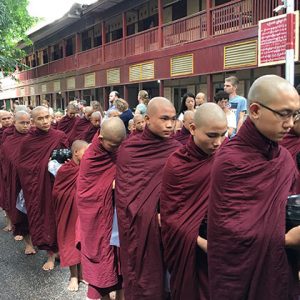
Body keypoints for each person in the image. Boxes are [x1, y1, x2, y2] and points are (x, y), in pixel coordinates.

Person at [208, 75, 300, 299]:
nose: (290, 123)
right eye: (283, 114)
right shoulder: (230, 160)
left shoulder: (285, 158)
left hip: (279, 269)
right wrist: (286, 239)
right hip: (239, 279)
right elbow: (231, 233)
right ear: (256, 110)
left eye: (295, 114)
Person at [115, 97, 181, 300]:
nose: (170, 124)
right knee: (143, 277)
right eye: (163, 119)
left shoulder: (178, 150)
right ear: (147, 119)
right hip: (139, 226)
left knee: (169, 280)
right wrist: (149, 216)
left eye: (172, 119)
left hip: (168, 226)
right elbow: (126, 196)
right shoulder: (129, 150)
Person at [161, 103, 227, 300]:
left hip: (224, 246)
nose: (219, 142)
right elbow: (170, 216)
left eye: (223, 135)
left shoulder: (226, 159)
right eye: (212, 135)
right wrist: (200, 241)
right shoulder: (176, 164)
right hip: (191, 248)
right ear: (192, 129)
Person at [76, 117, 126, 300]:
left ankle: (121, 295)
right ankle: (104, 296)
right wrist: (110, 185)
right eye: (113, 145)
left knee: (121, 257)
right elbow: (85, 194)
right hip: (98, 218)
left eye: (120, 144)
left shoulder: (119, 148)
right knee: (102, 256)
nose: (116, 148)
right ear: (101, 137)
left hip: (117, 215)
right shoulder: (91, 157)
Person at [17, 106, 69, 271]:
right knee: (44, 218)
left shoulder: (59, 136)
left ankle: (61, 250)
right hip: (38, 187)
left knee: (58, 218)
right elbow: (23, 167)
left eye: (47, 117)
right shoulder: (27, 141)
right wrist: (42, 166)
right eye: (40, 118)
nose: (45, 121)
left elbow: (67, 161)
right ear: (33, 121)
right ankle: (50, 255)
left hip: (56, 185)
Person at [53, 140, 89, 292]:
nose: (89, 155)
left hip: (83, 211)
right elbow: (57, 192)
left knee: (83, 241)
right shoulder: (65, 170)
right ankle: (73, 276)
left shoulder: (88, 168)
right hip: (68, 210)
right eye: (86, 152)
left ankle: (81, 274)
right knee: (69, 240)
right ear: (76, 152)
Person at [1, 111, 35, 252]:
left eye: (28, 122)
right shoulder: (9, 141)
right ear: (15, 123)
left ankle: (52, 250)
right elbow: (6, 162)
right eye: (22, 123)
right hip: (17, 182)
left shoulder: (36, 138)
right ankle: (29, 244)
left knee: (41, 213)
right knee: (22, 213)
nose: (26, 126)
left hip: (36, 181)